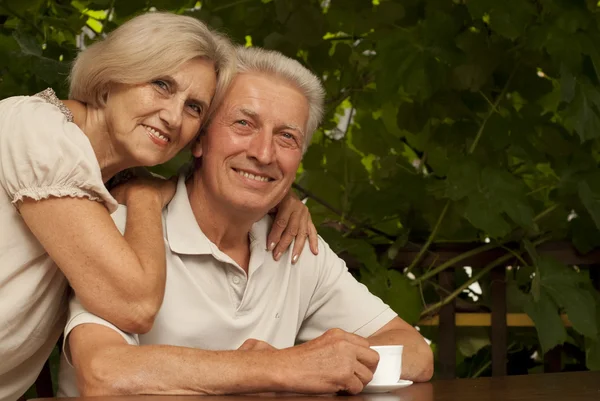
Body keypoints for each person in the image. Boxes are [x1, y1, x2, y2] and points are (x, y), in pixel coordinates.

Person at [58, 46, 434, 397]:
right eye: (243, 124)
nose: (264, 152)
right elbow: (103, 373)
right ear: (199, 140)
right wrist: (272, 367)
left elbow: (416, 352)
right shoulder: (125, 225)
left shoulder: (294, 242)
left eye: (287, 137)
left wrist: (326, 363)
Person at [0, 13, 317, 401]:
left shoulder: (105, 178)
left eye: (195, 108)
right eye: (161, 84)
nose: (173, 116)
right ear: (112, 76)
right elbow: (134, 305)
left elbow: (217, 174)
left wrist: (279, 194)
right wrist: (147, 201)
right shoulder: (36, 129)